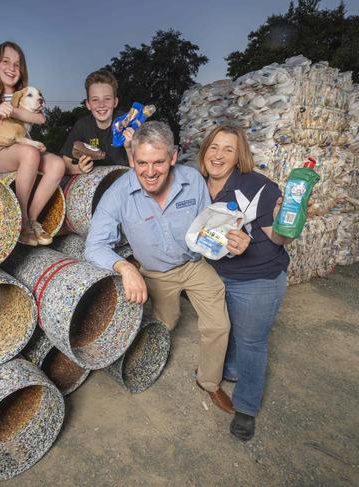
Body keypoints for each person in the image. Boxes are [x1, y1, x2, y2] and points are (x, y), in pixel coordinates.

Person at [84, 121, 250, 413]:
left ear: (173, 157)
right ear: (132, 159)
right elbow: (93, 246)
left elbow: (207, 224)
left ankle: (208, 382)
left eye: (159, 162)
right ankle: (146, 360)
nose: (150, 172)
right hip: (156, 274)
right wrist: (125, 267)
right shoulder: (118, 193)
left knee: (219, 325)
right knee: (165, 324)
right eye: (142, 163)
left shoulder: (192, 180)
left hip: (194, 264)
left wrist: (229, 237)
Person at [199, 125, 292, 442]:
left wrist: (283, 221)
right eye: (214, 147)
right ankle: (232, 370)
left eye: (228, 149)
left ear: (240, 156)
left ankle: (247, 407)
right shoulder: (197, 186)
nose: (219, 155)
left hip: (259, 276)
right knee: (229, 329)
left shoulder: (257, 186)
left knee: (252, 341)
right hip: (217, 274)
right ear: (204, 151)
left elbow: (280, 238)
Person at [0, 41, 65, 246]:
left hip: (23, 144)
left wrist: (12, 110)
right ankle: (20, 221)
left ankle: (31, 218)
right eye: (6, 62)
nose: (12, 68)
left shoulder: (25, 93)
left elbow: (40, 119)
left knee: (57, 164)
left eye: (17, 64)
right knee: (30, 154)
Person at [60, 70, 133, 174]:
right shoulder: (82, 126)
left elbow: (143, 167)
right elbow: (65, 163)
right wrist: (79, 169)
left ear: (115, 102)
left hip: (124, 176)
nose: (101, 105)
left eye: (107, 99)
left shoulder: (127, 121)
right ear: (88, 104)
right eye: (95, 100)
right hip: (95, 180)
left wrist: (129, 148)